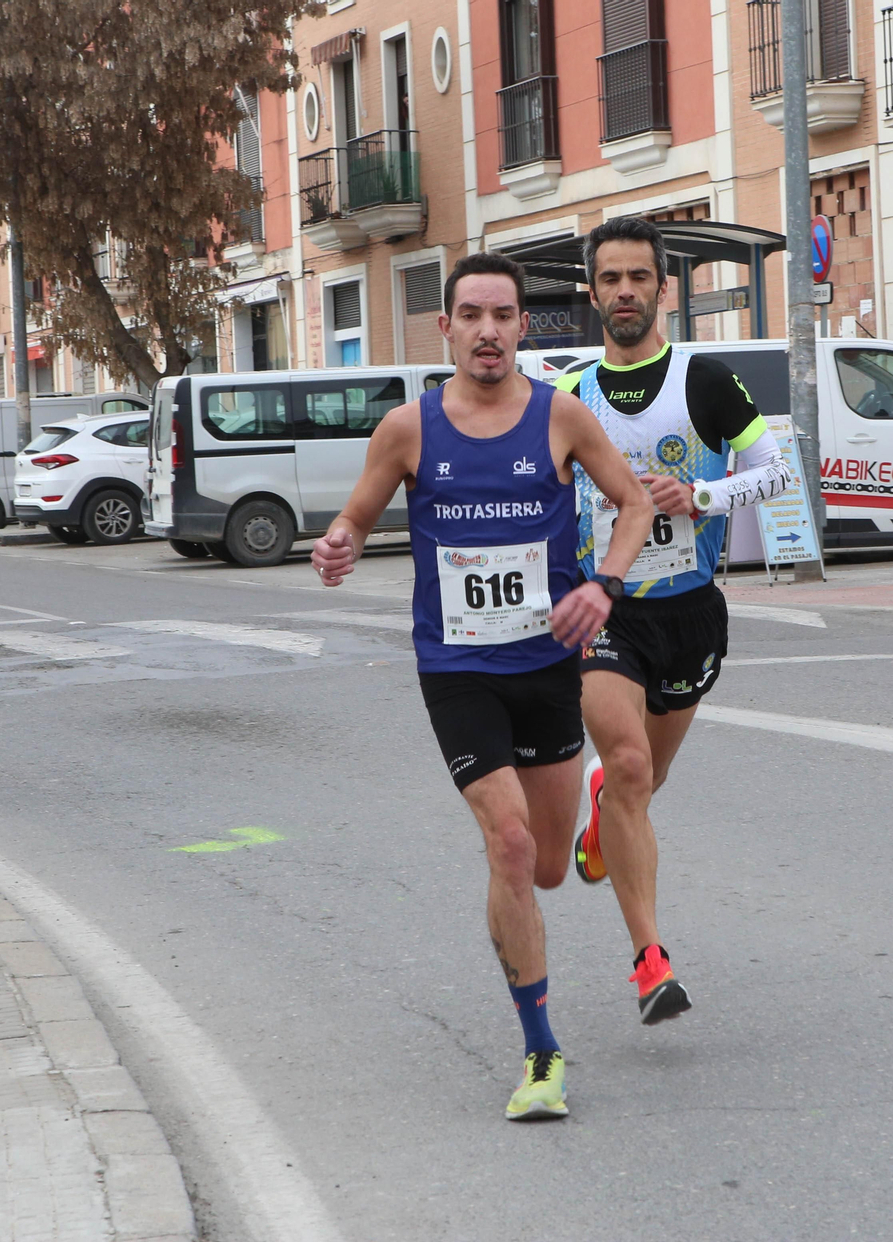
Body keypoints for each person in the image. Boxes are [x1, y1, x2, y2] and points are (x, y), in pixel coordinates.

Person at [311, 252, 653, 1120]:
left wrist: (602, 585)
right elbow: (356, 513)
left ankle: (591, 809)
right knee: (507, 846)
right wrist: (340, 542)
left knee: (544, 867)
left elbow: (636, 505)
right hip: (457, 670)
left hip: (546, 665)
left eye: (504, 316)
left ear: (523, 328)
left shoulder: (561, 416)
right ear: (447, 329)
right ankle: (541, 1052)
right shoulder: (410, 429)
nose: (489, 332)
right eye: (473, 315)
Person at [555, 216, 795, 1024]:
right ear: (592, 294)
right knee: (626, 768)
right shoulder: (570, 397)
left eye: (639, 278)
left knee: (644, 780)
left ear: (663, 288)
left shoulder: (706, 381)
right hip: (606, 612)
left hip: (691, 615)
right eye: (611, 279)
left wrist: (704, 496)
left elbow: (778, 473)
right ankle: (651, 960)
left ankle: (603, 820)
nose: (625, 291)